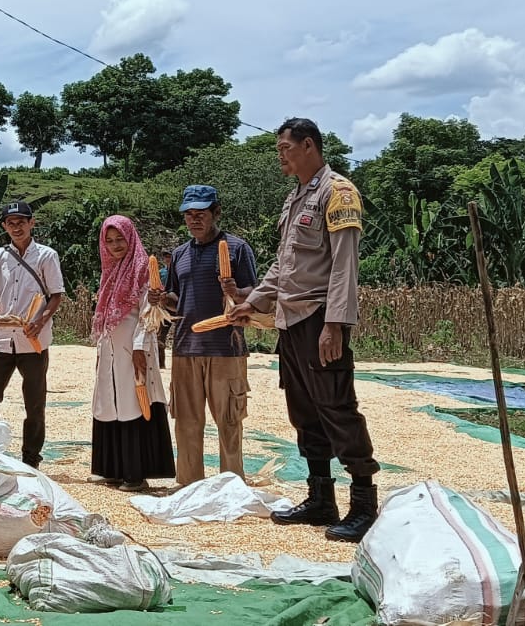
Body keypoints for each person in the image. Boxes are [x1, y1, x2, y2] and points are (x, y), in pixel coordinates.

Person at [230, 117, 379, 542]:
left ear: (309, 145)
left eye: (286, 148)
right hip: (290, 320)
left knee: (336, 406)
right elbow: (284, 263)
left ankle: (363, 504)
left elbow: (344, 266)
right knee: (303, 410)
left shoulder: (338, 192)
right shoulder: (296, 196)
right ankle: (320, 498)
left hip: (318, 317)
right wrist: (255, 301)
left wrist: (335, 324)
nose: (281, 156)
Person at [150, 185, 258, 486]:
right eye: (189, 214)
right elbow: (176, 299)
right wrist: (161, 299)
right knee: (186, 422)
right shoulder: (180, 254)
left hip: (226, 347)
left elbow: (255, 293)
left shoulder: (237, 248)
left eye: (201, 213)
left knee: (229, 421)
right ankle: (189, 484)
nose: (194, 219)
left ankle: (231, 486)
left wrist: (236, 291)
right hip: (186, 346)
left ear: (216, 212)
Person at [0, 200, 64, 469]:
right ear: (4, 226)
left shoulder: (46, 256)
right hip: (1, 338)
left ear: (31, 223)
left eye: (21, 222)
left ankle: (31, 458)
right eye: (11, 223)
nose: (16, 228)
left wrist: (41, 320)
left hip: (32, 339)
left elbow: (56, 295)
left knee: (34, 402)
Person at [90, 215, 173, 491]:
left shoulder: (141, 269)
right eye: (110, 241)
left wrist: (139, 347)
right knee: (110, 404)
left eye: (120, 240)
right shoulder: (110, 271)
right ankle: (112, 469)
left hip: (134, 349)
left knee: (133, 405)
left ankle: (135, 473)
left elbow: (148, 314)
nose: (115, 246)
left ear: (131, 238)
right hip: (110, 349)